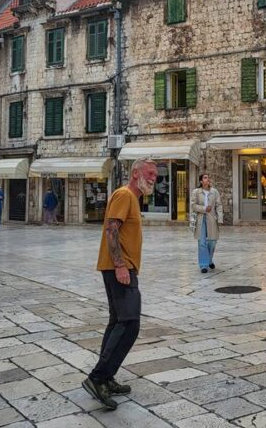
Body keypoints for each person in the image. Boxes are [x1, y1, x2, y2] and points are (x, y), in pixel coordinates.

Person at [83, 158, 157, 411]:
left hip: (120, 267)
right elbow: (111, 229)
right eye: (149, 173)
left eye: (155, 175)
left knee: (117, 322)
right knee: (130, 323)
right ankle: (97, 378)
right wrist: (120, 265)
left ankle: (107, 377)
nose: (153, 178)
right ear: (135, 173)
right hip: (120, 268)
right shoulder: (125, 195)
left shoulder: (132, 198)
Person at [190, 173, 224, 273]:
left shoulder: (214, 192)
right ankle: (204, 265)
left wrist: (220, 218)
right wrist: (204, 208)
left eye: (208, 178)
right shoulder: (196, 192)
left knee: (212, 241)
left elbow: (219, 205)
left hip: (212, 218)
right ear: (201, 181)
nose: (207, 179)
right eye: (205, 178)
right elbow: (193, 206)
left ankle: (209, 260)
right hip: (200, 219)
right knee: (202, 243)